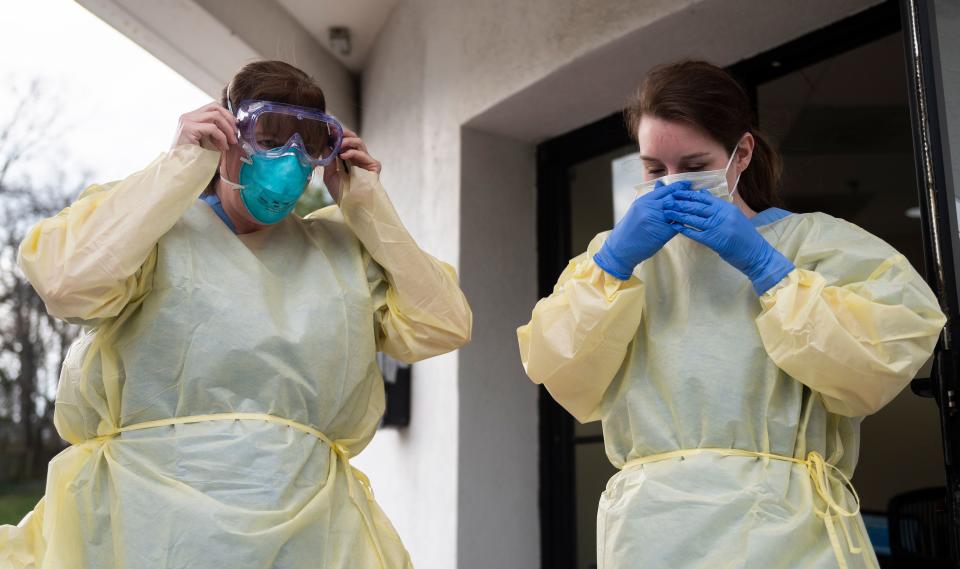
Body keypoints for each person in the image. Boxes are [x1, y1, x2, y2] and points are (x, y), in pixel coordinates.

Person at [1, 60, 471, 569]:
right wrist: (180, 167)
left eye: (308, 145)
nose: (290, 162)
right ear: (228, 134)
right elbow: (69, 285)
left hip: (309, 533)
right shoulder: (151, 229)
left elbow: (443, 324)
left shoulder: (341, 251)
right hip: (142, 529)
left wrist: (369, 208)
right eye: (269, 139)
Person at [517, 60, 945, 569]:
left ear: (740, 153)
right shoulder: (615, 260)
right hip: (654, 533)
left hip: (787, 531)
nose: (672, 185)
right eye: (655, 169)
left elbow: (887, 349)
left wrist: (769, 269)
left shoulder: (814, 244)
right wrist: (611, 266)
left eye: (693, 164)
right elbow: (553, 364)